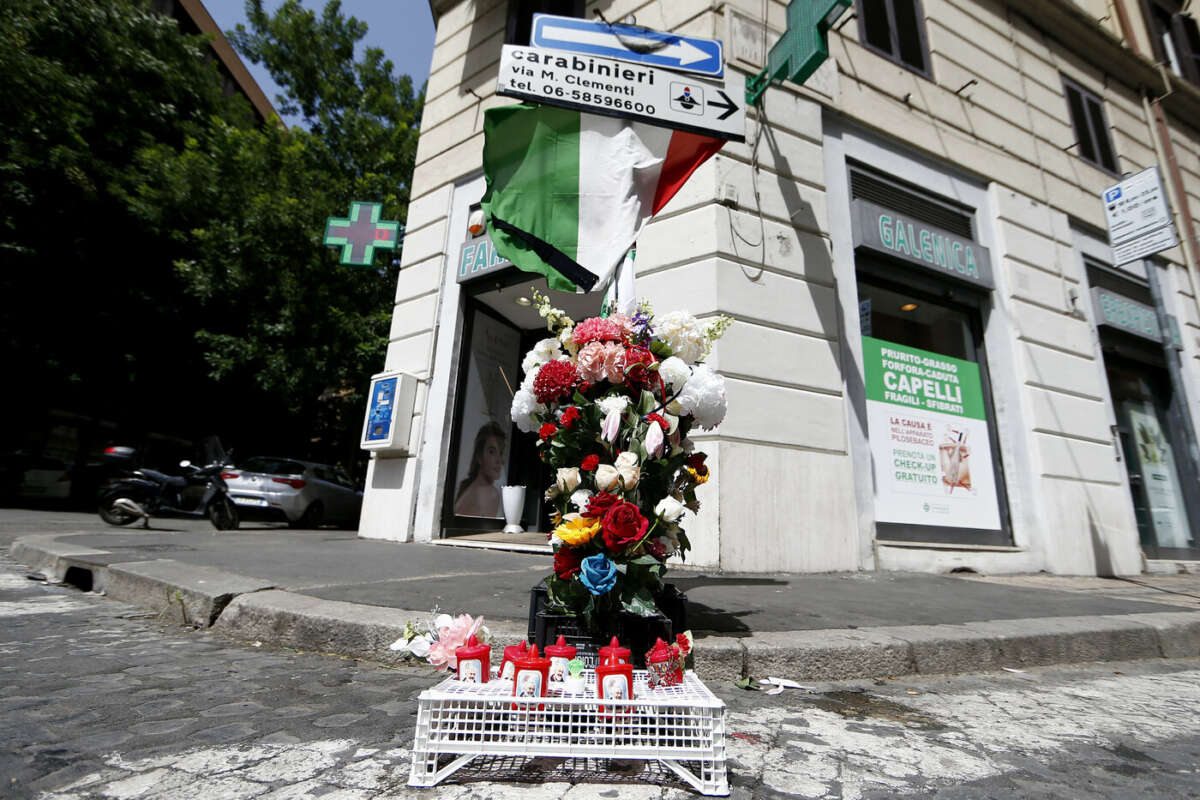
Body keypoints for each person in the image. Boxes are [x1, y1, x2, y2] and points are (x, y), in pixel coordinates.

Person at [454, 422, 506, 518]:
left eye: (501, 453)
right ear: (479, 457)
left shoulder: (470, 487)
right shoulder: (490, 493)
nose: (499, 460)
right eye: (492, 452)